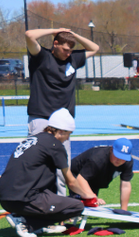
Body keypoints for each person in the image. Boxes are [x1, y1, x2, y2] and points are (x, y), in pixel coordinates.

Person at [0, 109, 97, 237]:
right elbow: (70, 181)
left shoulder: (33, 139)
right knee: (77, 206)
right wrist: (88, 195)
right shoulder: (55, 145)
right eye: (68, 134)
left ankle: (30, 220)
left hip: (5, 197)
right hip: (24, 199)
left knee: (51, 189)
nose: (67, 138)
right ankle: (27, 223)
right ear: (60, 131)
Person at [24, 27, 99, 195]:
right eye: (65, 49)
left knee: (62, 168)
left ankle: (59, 207)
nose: (68, 53)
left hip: (63, 124)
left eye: (70, 50)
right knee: (37, 163)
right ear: (55, 44)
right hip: (41, 118)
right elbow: (29, 35)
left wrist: (73, 35)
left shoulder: (73, 58)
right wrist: (55, 30)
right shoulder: (41, 56)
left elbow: (95, 48)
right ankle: (32, 202)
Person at [70, 137, 135, 211]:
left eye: (123, 157)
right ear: (111, 150)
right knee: (78, 202)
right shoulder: (97, 159)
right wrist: (93, 197)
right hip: (75, 174)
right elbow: (80, 179)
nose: (119, 160)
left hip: (94, 177)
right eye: (117, 156)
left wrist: (124, 210)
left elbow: (125, 185)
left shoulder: (127, 162)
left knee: (90, 205)